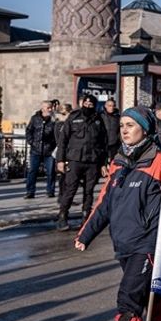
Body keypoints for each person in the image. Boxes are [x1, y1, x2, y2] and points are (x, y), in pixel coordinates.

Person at [75, 105, 161, 321]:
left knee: (129, 301)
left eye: (130, 125)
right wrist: (86, 234)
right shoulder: (119, 162)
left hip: (146, 244)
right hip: (123, 243)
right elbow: (104, 203)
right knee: (152, 296)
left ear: (144, 129)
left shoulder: (160, 161)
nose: (124, 129)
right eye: (122, 124)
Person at [55, 93, 108, 231]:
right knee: (70, 189)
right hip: (74, 160)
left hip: (92, 161)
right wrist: (60, 160)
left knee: (89, 191)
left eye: (91, 105)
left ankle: (85, 217)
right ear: (82, 103)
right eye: (86, 104)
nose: (88, 106)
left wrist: (103, 163)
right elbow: (63, 140)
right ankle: (62, 217)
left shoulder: (98, 119)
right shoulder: (73, 117)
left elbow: (104, 143)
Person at [24, 100, 58, 199]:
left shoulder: (54, 119)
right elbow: (29, 131)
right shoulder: (35, 118)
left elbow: (57, 134)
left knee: (51, 172)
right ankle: (30, 191)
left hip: (49, 150)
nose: (50, 109)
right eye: (48, 107)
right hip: (36, 150)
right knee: (32, 171)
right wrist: (32, 142)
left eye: (51, 107)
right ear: (43, 108)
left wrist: (54, 145)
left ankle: (50, 191)